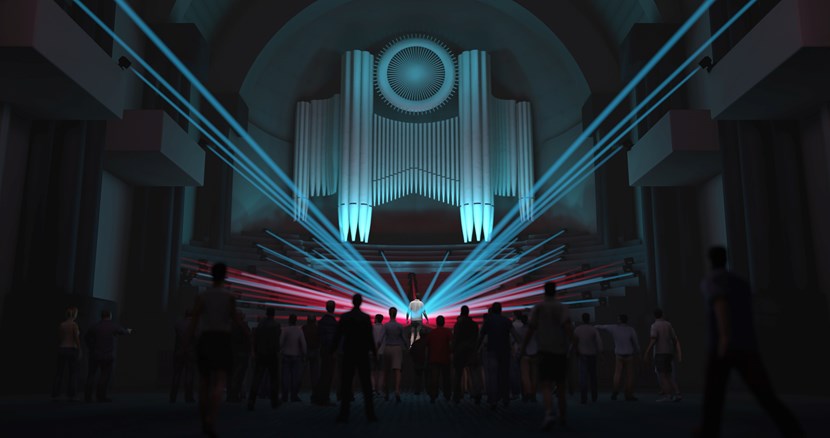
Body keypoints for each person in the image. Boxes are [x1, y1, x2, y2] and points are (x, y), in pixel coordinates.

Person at [697, 247, 803, 437]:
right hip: (747, 344)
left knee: (713, 395)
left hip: (723, 345)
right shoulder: (741, 282)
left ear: (710, 260)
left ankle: (708, 431)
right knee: (764, 394)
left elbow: (721, 308)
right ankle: (792, 429)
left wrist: (724, 340)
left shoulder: (711, 281)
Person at [189, 262, 236, 437]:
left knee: (204, 382)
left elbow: (193, 322)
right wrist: (248, 337)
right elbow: (235, 320)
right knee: (220, 382)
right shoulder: (229, 297)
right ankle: (211, 418)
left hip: (206, 338)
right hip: (222, 339)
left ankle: (204, 419)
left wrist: (185, 344)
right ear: (225, 275)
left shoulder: (203, 296)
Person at [522, 282, 572, 430]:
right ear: (555, 291)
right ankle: (562, 415)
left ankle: (549, 412)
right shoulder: (562, 307)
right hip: (560, 351)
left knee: (545, 384)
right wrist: (573, 342)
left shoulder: (538, 308)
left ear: (544, 291)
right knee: (561, 385)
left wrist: (523, 347)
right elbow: (567, 327)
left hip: (544, 350)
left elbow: (531, 329)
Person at [333, 294, 377, 423]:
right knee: (366, 385)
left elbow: (338, 335)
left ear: (352, 302)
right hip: (362, 353)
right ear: (361, 302)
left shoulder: (345, 317)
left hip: (349, 352)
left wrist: (332, 350)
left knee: (346, 384)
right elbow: (370, 337)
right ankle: (370, 414)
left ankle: (344, 413)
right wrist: (374, 352)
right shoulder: (365, 318)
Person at [84, 310, 132, 403]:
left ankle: (87, 397)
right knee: (104, 376)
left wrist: (91, 348)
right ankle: (101, 396)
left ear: (101, 316)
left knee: (91, 375)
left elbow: (86, 337)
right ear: (110, 316)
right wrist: (129, 330)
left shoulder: (95, 326)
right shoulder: (113, 326)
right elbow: (124, 331)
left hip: (95, 355)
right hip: (108, 356)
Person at [478, 302, 520, 408]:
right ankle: (505, 398)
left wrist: (477, 348)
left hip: (492, 350)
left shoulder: (488, 321)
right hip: (505, 351)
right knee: (504, 374)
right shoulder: (506, 321)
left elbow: (481, 336)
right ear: (501, 310)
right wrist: (521, 345)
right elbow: (515, 334)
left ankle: (493, 400)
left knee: (492, 375)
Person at [596, 314, 640, 401]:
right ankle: (628, 395)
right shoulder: (630, 329)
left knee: (617, 374)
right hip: (629, 355)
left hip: (619, 355)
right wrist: (639, 353)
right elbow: (636, 343)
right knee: (630, 375)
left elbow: (602, 327)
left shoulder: (614, 328)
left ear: (619, 320)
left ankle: (615, 392)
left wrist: (593, 327)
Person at [643, 308, 682, 402]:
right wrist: (678, 353)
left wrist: (647, 352)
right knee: (669, 375)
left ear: (654, 315)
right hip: (669, 353)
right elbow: (674, 339)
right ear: (662, 314)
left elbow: (653, 339)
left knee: (662, 376)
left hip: (660, 353)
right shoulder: (668, 324)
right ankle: (677, 393)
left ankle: (668, 395)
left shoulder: (654, 326)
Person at [247, 306, 281, 411]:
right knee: (273, 379)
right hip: (271, 354)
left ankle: (252, 400)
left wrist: (255, 351)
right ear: (273, 314)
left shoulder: (260, 325)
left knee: (257, 378)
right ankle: (274, 401)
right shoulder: (276, 325)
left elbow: (255, 338)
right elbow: (277, 340)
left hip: (261, 353)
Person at [452, 305, 482, 404]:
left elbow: (455, 338)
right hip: (471, 350)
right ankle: (477, 394)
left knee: (458, 374)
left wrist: (453, 350)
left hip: (460, 351)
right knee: (474, 373)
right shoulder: (474, 325)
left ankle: (457, 396)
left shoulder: (458, 324)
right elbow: (477, 337)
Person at [311, 300, 338, 406]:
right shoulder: (334, 323)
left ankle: (317, 396)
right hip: (330, 351)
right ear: (334, 308)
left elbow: (318, 337)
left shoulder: (321, 322)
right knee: (328, 375)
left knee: (323, 374)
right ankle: (323, 398)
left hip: (323, 350)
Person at [52, 306, 81, 401]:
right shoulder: (74, 325)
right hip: (71, 349)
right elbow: (76, 338)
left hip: (62, 349)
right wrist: (80, 349)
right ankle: (71, 394)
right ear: (74, 314)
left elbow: (60, 337)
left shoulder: (62, 324)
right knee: (72, 373)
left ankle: (56, 392)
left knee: (59, 372)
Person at [573, 312, 602, 404]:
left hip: (582, 355)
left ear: (582, 319)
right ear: (589, 319)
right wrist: (601, 353)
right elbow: (599, 342)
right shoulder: (593, 329)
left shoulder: (577, 329)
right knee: (593, 376)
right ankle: (594, 396)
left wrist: (570, 352)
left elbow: (574, 342)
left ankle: (583, 398)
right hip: (592, 355)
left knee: (583, 377)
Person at [381, 306, 408, 402]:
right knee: (397, 370)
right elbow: (404, 338)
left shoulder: (386, 326)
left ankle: (386, 392)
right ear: (396, 314)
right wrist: (406, 346)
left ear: (389, 314)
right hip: (397, 348)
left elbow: (381, 338)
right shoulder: (400, 326)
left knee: (386, 371)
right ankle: (397, 391)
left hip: (388, 347)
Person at [170, 309, 196, 403]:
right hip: (190, 352)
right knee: (189, 375)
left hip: (179, 351)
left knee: (176, 375)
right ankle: (188, 397)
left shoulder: (178, 324)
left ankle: (172, 397)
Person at [280, 313, 307, 402]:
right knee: (295, 377)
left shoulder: (285, 330)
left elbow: (280, 343)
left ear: (289, 320)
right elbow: (303, 344)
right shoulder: (299, 330)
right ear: (296, 320)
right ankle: (294, 396)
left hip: (286, 356)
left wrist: (281, 350)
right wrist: (304, 354)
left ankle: (284, 396)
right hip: (296, 356)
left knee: (285, 377)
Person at [426, 315, 452, 403]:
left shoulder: (432, 333)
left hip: (433, 358)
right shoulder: (448, 332)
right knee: (446, 378)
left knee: (434, 378)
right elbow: (451, 344)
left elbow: (427, 345)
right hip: (445, 358)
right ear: (443, 322)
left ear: (436, 322)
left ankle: (433, 396)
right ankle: (447, 395)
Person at [227, 310, 252, 402]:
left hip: (231, 353)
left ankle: (230, 395)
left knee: (231, 375)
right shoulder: (242, 325)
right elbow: (249, 337)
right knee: (239, 376)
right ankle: (234, 395)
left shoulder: (229, 325)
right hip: (241, 353)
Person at [516, 312, 538, 402]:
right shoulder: (535, 330)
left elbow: (518, 342)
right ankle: (533, 395)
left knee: (525, 376)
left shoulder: (520, 330)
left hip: (525, 354)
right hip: (535, 354)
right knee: (534, 376)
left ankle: (527, 393)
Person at [406, 273, 428, 345]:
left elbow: (408, 312)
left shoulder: (411, 303)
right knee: (418, 333)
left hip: (413, 320)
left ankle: (411, 345)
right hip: (419, 320)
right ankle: (417, 345)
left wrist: (407, 319)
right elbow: (424, 312)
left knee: (412, 333)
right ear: (420, 297)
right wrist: (427, 319)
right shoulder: (421, 303)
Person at [303, 315, 320, 388]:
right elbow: (319, 340)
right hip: (315, 350)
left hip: (306, 350)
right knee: (315, 372)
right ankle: (315, 388)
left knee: (302, 371)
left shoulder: (304, 328)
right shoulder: (317, 329)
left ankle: (299, 387)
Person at [371, 314, 384, 395]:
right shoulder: (384, 328)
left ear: (376, 319)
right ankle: (379, 390)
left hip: (372, 352)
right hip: (381, 351)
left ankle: (373, 389)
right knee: (380, 371)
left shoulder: (372, 327)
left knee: (372, 371)